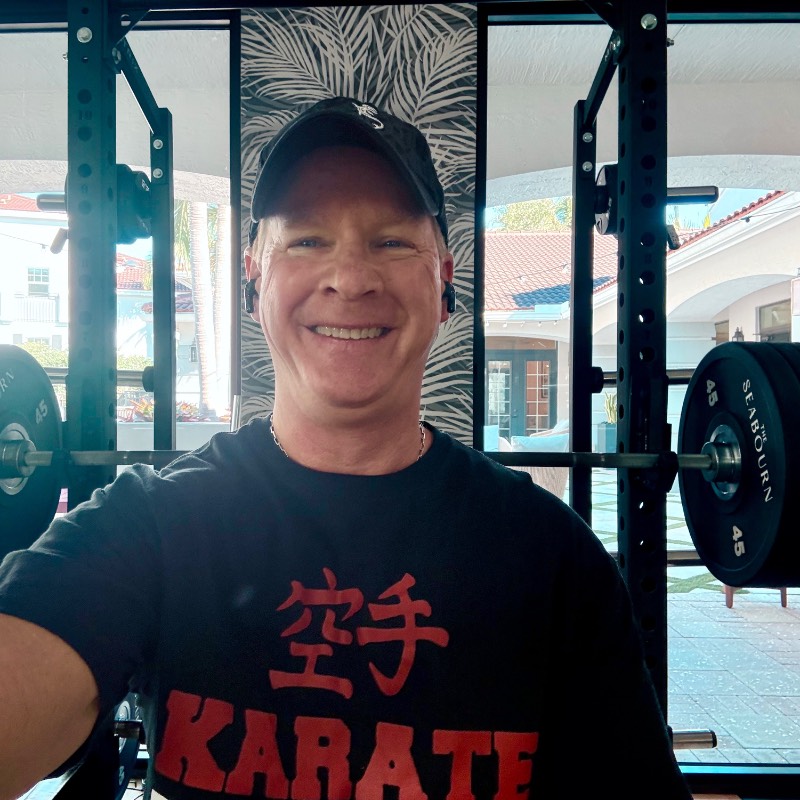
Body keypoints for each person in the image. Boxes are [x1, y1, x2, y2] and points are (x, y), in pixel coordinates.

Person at [0, 96, 692, 800]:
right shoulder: (148, 528)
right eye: (306, 241)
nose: (351, 278)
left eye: (392, 242)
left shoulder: (552, 559)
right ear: (254, 279)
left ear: (444, 281)